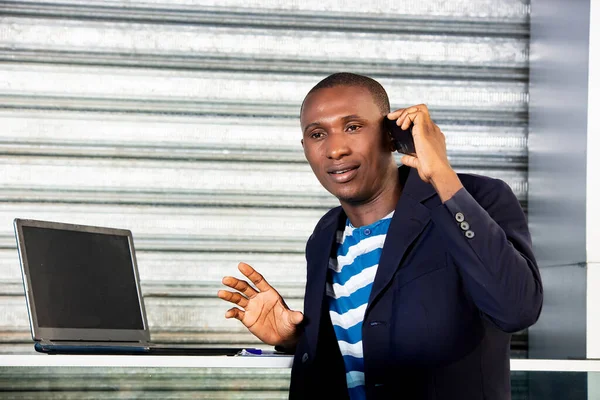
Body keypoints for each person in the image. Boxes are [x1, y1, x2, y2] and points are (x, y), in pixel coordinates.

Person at [217, 72, 543, 399]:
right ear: (305, 149)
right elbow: (354, 358)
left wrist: (441, 177)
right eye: (318, 134)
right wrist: (295, 339)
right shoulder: (324, 236)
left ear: (390, 134)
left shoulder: (476, 198)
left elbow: (517, 309)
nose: (335, 149)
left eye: (353, 127)